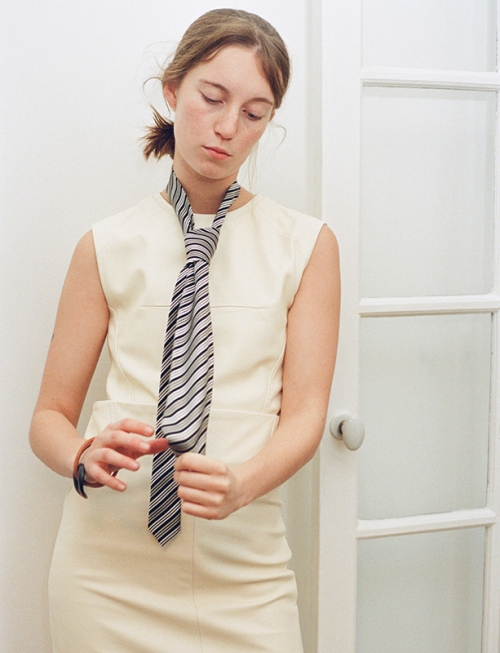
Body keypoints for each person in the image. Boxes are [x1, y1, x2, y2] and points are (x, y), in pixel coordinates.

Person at [30, 8, 340, 653]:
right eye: (212, 98)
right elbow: (50, 417)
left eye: (254, 113)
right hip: (106, 572)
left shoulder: (307, 245)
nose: (228, 128)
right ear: (172, 91)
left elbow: (306, 417)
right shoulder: (105, 244)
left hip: (247, 570)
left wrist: (242, 485)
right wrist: (81, 455)